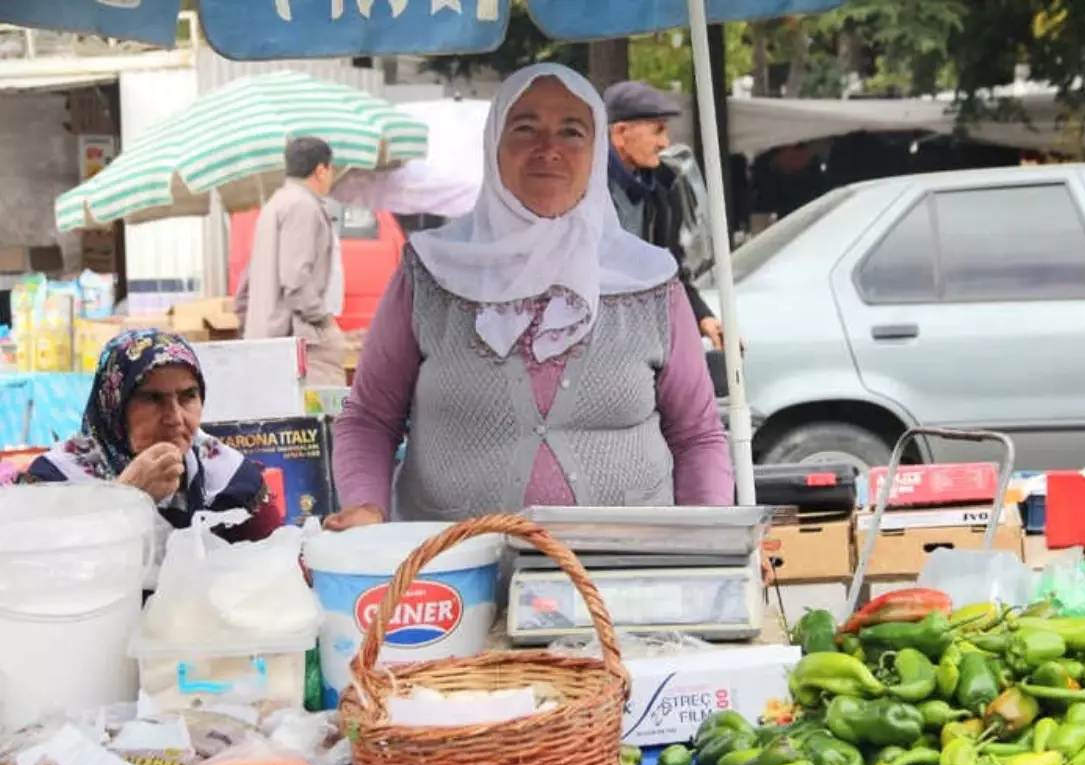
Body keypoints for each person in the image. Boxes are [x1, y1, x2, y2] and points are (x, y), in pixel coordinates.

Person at [325, 63, 733, 529]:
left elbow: (697, 435)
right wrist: (364, 506)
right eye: (525, 128)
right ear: (493, 145)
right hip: (456, 574)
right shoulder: (431, 272)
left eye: (572, 132)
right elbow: (370, 418)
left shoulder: (650, 281)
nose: (548, 149)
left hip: (623, 576)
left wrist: (713, 536)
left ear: (597, 151)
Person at [18, 329, 282, 542]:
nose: (175, 418)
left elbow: (280, 565)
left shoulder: (226, 476)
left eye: (188, 396)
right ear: (114, 406)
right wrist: (125, 497)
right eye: (153, 398)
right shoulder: (56, 481)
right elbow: (35, 576)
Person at [604, 80, 725, 351]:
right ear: (621, 133)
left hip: (644, 337)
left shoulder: (663, 188)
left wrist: (702, 316)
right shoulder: (584, 189)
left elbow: (670, 268)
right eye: (658, 131)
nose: (665, 143)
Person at [235, 136, 347, 387]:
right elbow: (296, 282)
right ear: (321, 170)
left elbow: (244, 289)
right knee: (325, 417)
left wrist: (250, 329)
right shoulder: (303, 206)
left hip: (268, 343)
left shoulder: (275, 204)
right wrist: (324, 320)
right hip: (298, 344)